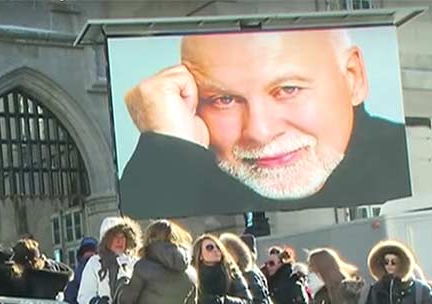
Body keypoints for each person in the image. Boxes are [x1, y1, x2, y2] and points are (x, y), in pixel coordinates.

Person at [120, 29, 410, 218]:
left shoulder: (409, 159)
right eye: (224, 100)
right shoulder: (189, 177)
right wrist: (167, 147)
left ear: (353, 77)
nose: (259, 132)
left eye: (288, 90)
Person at [64, 237, 98, 304]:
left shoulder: (102, 268)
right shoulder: (78, 273)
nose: (89, 253)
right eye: (86, 250)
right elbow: (70, 298)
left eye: (92, 250)